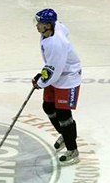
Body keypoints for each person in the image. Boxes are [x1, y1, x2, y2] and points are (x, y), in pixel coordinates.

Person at [31, 9, 82, 166]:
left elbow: (55, 69)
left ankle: (73, 149)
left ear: (47, 25)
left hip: (68, 77)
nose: (37, 25)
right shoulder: (54, 29)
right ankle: (66, 136)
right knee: (48, 106)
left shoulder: (56, 43)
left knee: (63, 115)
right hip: (57, 74)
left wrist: (40, 82)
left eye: (39, 23)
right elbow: (63, 27)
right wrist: (42, 75)